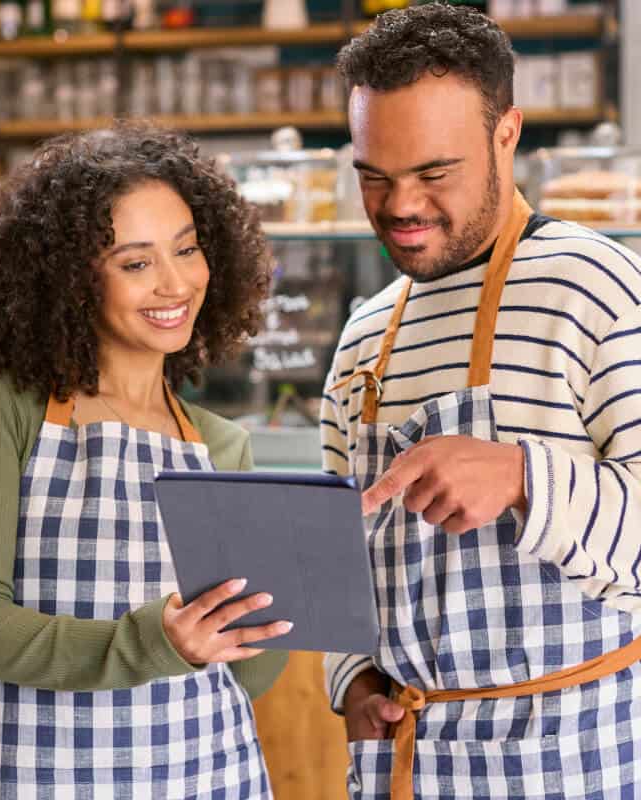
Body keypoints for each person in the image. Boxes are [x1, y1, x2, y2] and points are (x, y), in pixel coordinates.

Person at [321, 5, 641, 800]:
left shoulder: (595, 287)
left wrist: (524, 477)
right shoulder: (365, 336)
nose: (400, 207)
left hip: (577, 761)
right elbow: (333, 559)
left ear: (508, 135)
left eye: (434, 174)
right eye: (374, 176)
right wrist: (354, 680)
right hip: (411, 765)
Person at [0, 124, 290, 799]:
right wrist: (151, 642)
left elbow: (248, 676)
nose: (176, 283)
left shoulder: (222, 444)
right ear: (69, 279)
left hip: (210, 771)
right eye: (136, 262)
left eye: (187, 249)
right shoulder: (3, 408)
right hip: (52, 777)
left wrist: (286, 604)